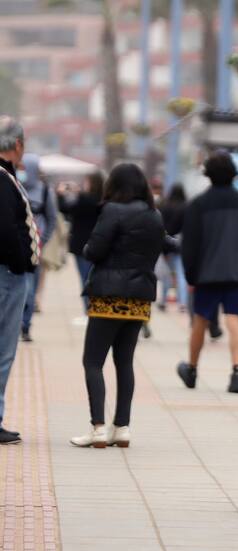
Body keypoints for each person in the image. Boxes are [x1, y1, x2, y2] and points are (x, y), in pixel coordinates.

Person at [69, 164, 167, 448]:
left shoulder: (112, 211)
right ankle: (121, 427)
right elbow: (164, 244)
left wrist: (88, 249)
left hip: (108, 297)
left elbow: (95, 250)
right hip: (139, 299)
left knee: (93, 361)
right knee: (124, 362)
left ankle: (98, 428)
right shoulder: (154, 214)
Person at [177, 151, 238, 393]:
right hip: (236, 272)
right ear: (233, 174)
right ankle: (237, 372)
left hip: (206, 273)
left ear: (208, 174)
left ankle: (192, 369)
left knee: (200, 320)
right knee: (234, 320)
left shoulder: (198, 205)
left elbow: (189, 245)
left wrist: (190, 275)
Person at [0, 116, 39, 445]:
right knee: (2, 350)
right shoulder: (2, 179)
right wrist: (22, 263)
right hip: (6, 275)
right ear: (16, 145)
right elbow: (7, 230)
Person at [18, 154, 58, 342]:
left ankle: (26, 325)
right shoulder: (12, 186)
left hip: (35, 248)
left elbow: (52, 219)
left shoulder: (44, 192)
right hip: (14, 247)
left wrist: (43, 240)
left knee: (30, 289)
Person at [57, 171, 103, 315]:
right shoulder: (103, 200)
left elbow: (65, 208)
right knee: (94, 278)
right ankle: (95, 307)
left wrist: (60, 195)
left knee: (84, 279)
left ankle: (88, 309)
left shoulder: (84, 199)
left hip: (81, 245)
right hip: (98, 244)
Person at [158, 183, 188, 312]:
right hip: (182, 245)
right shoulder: (187, 207)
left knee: (166, 275)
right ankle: (182, 303)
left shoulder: (165, 206)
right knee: (181, 275)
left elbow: (161, 228)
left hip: (167, 244)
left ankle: (163, 300)